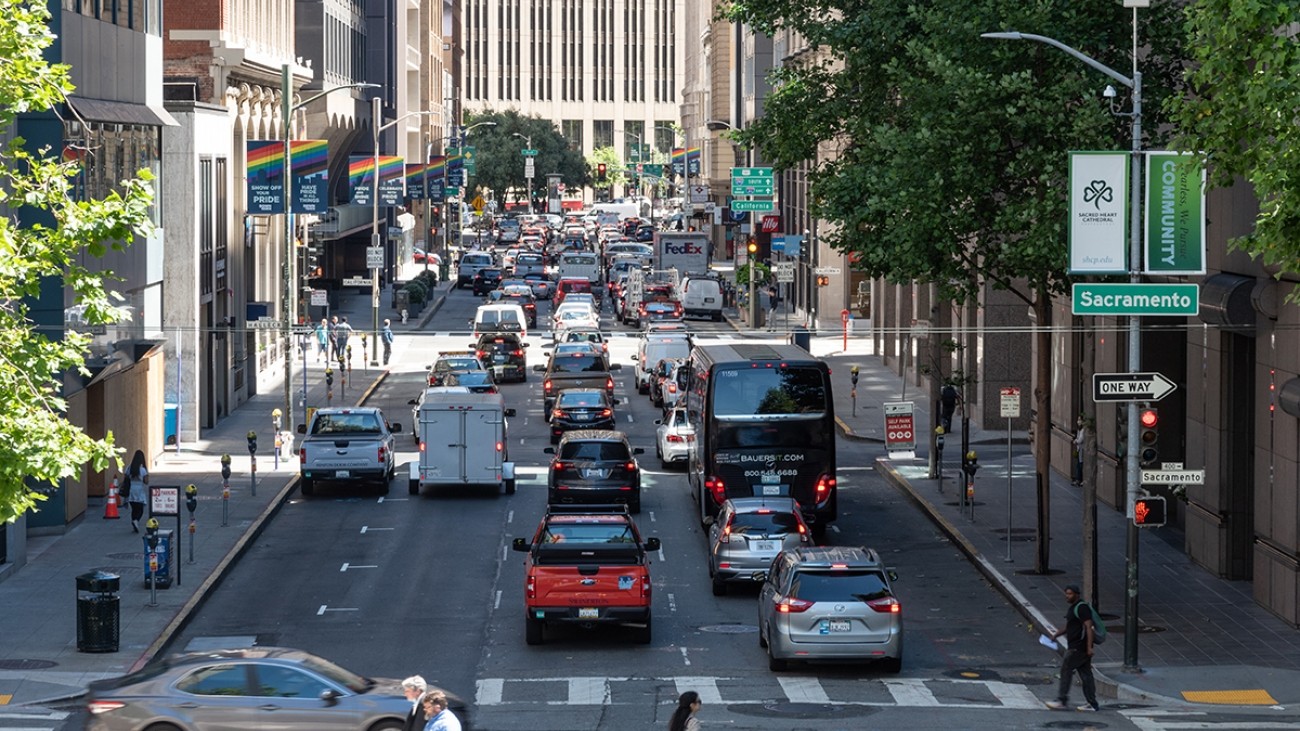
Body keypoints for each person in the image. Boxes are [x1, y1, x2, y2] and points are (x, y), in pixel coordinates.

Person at [1045, 584, 1101, 712]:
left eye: (1069, 594)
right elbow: (1069, 626)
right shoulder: (1074, 608)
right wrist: (1056, 634)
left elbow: (1089, 627)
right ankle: (1092, 704)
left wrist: (1089, 648)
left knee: (1066, 669)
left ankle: (1061, 700)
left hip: (1078, 648)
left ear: (1077, 594)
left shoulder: (1082, 608)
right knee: (1086, 675)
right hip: (1079, 647)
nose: (1067, 596)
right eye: (1066, 593)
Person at [124, 449, 149, 533]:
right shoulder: (142, 470)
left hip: (131, 490)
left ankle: (134, 521)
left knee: (134, 509)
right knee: (140, 509)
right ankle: (136, 521)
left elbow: (125, 478)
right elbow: (146, 482)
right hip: (139, 490)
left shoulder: (129, 468)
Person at [1072, 418, 1086, 486]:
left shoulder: (1083, 430)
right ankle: (1078, 479)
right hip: (1079, 449)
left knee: (1080, 465)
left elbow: (1080, 440)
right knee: (1078, 465)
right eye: (1078, 420)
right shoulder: (1079, 429)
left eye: (1080, 420)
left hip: (1082, 449)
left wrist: (1076, 441)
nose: (1078, 421)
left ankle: (1080, 479)